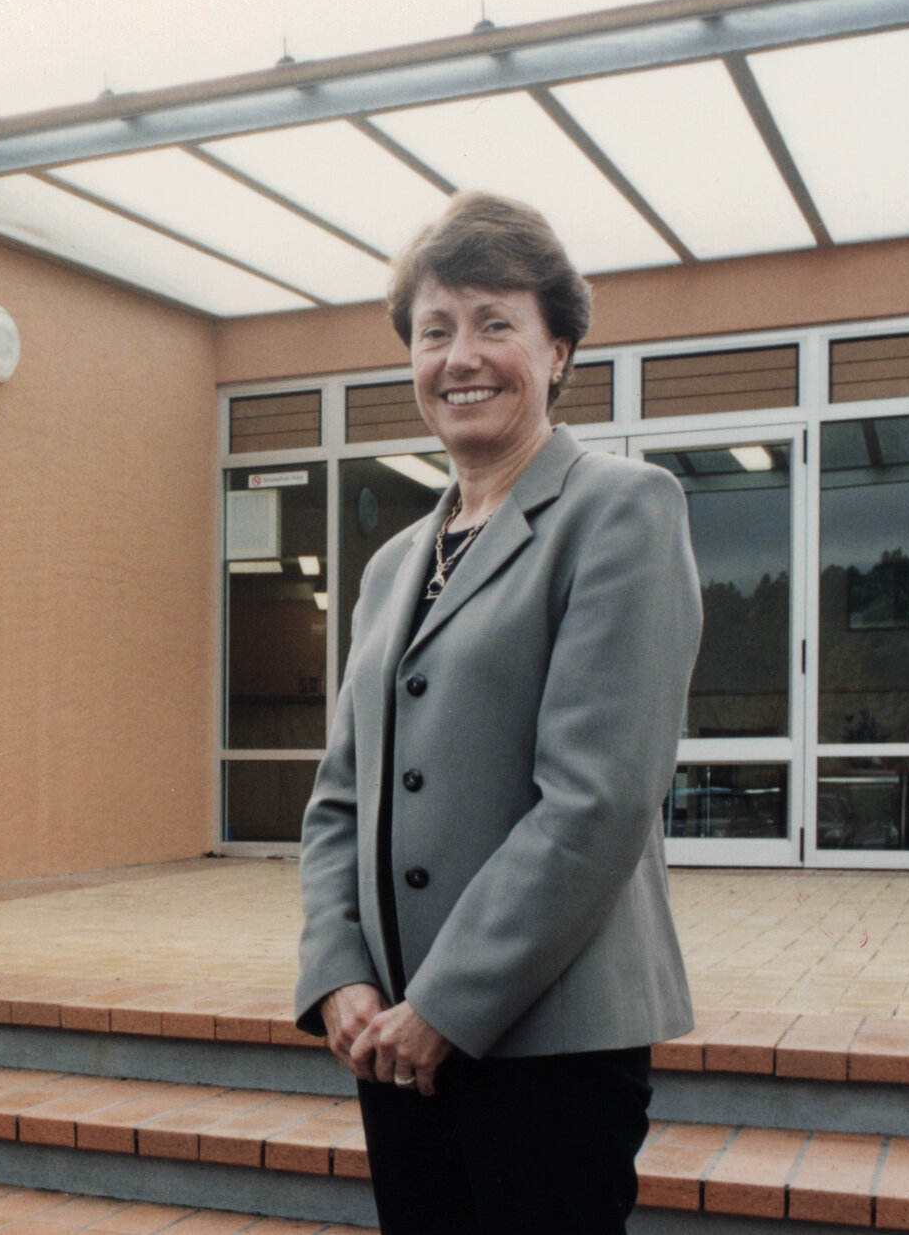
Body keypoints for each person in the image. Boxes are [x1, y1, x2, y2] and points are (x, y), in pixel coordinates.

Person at [295, 192, 701, 1234]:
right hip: (391, 1038)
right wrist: (338, 970)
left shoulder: (620, 511)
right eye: (434, 331)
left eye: (493, 323)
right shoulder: (393, 564)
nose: (459, 356)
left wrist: (446, 1005)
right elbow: (339, 797)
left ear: (557, 350)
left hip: (546, 1043)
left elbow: (596, 799)